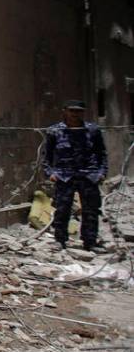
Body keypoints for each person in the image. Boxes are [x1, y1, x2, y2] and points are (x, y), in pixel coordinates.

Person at [43, 100, 108, 252]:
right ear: (65, 111)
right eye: (72, 110)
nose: (75, 114)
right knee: (62, 208)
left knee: (91, 210)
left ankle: (90, 242)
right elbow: (47, 155)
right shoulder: (55, 131)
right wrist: (50, 172)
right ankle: (60, 240)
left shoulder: (92, 130)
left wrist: (102, 172)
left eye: (78, 111)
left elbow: (101, 154)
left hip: (89, 175)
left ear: (83, 112)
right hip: (64, 175)